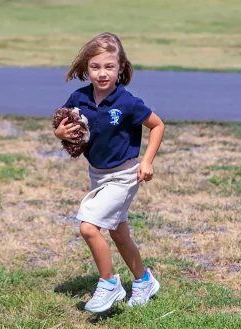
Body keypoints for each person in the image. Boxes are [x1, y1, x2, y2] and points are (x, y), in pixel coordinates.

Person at [54, 32, 165, 312]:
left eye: (109, 67)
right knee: (118, 233)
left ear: (121, 68)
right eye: (95, 67)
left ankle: (109, 284)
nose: (102, 73)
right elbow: (66, 126)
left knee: (89, 227)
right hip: (97, 175)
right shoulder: (79, 98)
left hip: (125, 175)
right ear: (86, 68)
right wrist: (59, 132)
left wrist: (147, 161)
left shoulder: (127, 102)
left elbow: (158, 125)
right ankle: (143, 280)